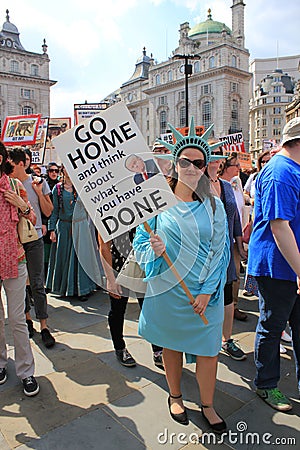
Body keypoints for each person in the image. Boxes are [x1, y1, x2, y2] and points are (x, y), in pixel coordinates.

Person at [133, 119, 230, 432]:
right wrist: (154, 247)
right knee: (171, 345)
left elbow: (220, 251)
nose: (191, 167)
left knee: (208, 350)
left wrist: (207, 292)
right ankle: (174, 395)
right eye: (185, 161)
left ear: (205, 167)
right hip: (169, 290)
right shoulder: (157, 204)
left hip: (205, 293)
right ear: (175, 164)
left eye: (198, 162)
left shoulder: (214, 205)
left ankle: (208, 404)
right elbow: (138, 245)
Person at [248, 117, 300, 411]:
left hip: (291, 265)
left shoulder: (291, 169)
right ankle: (266, 384)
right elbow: (280, 227)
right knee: (273, 325)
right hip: (278, 267)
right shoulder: (281, 172)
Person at [0, 141, 39, 396]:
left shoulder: (14, 185)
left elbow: (33, 219)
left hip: (15, 258)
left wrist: (21, 204)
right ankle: (1, 364)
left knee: (17, 319)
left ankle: (26, 371)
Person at [8, 148, 55, 348]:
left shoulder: (38, 182)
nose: (7, 167)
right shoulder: (8, 184)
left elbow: (49, 210)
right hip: (15, 241)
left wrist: (37, 192)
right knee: (21, 285)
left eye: (10, 164)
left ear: (21, 164)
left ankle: (44, 326)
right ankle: (28, 319)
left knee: (37, 282)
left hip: (34, 238)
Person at [98, 226, 164, 370]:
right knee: (117, 310)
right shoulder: (106, 210)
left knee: (150, 309)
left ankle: (158, 350)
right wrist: (110, 279)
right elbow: (103, 246)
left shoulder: (142, 207)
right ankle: (119, 347)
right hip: (119, 268)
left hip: (143, 268)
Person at [205, 142, 247, 361]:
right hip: (203, 254)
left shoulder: (226, 185)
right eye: (210, 154)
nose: (214, 158)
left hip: (227, 252)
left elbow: (236, 219)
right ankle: (204, 339)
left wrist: (239, 244)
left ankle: (226, 339)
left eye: (218, 154)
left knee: (228, 296)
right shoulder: (196, 186)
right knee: (205, 296)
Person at [46, 166, 102, 301]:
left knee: (82, 257)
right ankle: (66, 288)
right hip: (64, 227)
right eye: (66, 167)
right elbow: (54, 211)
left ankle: (84, 289)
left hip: (81, 226)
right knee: (65, 257)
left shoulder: (83, 186)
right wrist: (52, 229)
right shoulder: (57, 189)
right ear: (63, 170)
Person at [219, 154, 248, 321]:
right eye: (235, 165)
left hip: (232, 240)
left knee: (234, 276)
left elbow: (235, 214)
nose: (239, 168)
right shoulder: (207, 185)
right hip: (215, 244)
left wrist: (239, 241)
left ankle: (233, 307)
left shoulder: (233, 184)